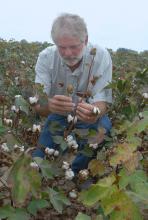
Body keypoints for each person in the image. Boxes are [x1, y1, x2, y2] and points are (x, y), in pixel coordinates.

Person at [32, 13, 112, 174]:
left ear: (86, 40)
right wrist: (49, 105)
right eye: (62, 47)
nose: (68, 53)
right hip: (59, 115)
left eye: (74, 46)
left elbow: (102, 102)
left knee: (103, 128)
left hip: (88, 118)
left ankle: (73, 174)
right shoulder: (46, 58)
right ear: (55, 43)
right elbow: (38, 105)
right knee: (38, 163)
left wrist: (94, 112)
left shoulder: (101, 56)